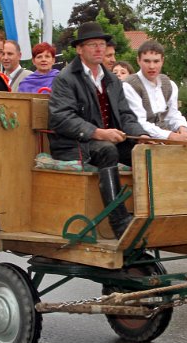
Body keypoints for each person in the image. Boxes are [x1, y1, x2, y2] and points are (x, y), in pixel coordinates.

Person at [48, 21, 148, 238]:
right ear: (79, 49)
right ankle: (119, 222)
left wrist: (140, 135)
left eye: (102, 44)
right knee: (107, 150)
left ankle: (146, 214)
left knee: (144, 153)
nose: (99, 49)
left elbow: (125, 115)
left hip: (105, 141)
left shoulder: (111, 79)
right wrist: (98, 133)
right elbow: (61, 118)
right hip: (75, 144)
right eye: (92, 44)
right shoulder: (66, 78)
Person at [122, 40, 187, 143]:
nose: (152, 66)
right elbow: (139, 122)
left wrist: (183, 129)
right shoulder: (129, 85)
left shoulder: (169, 85)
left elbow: (172, 114)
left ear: (162, 61)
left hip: (164, 140)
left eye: (156, 61)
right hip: (140, 142)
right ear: (138, 61)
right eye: (147, 61)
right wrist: (171, 136)